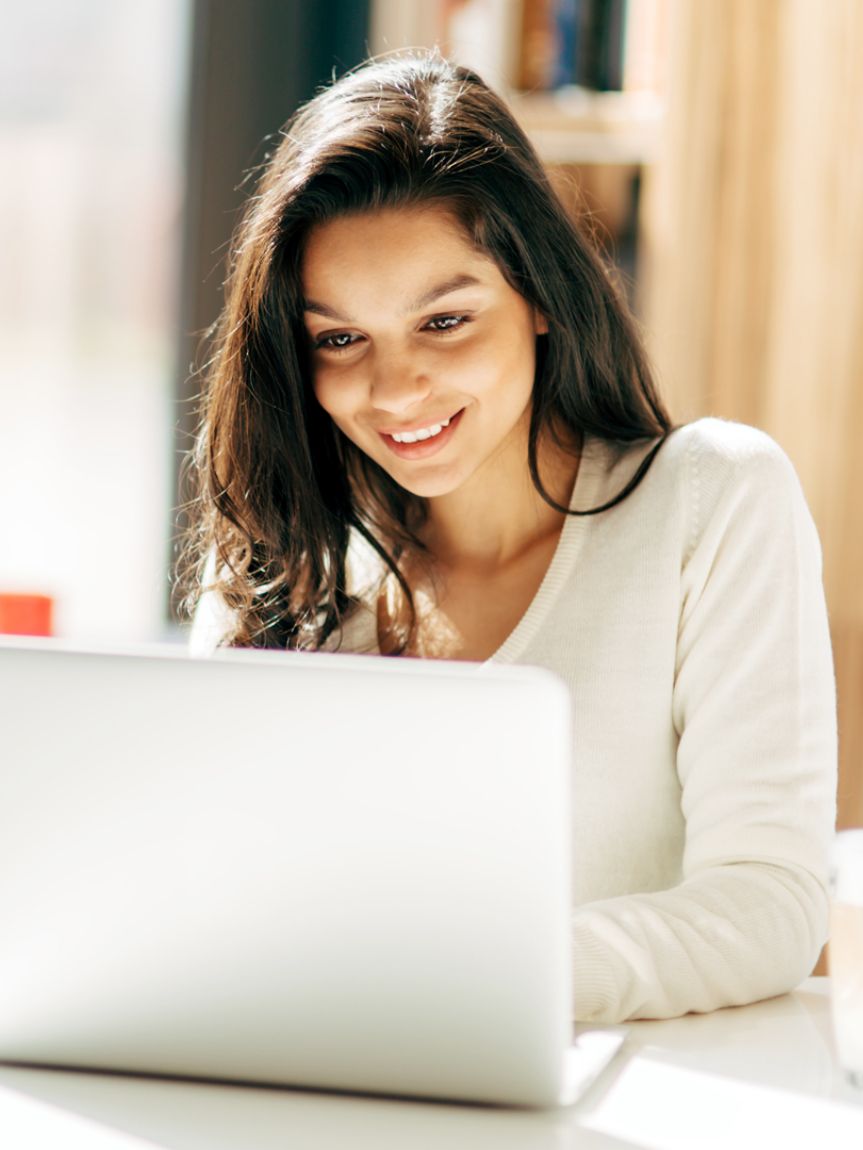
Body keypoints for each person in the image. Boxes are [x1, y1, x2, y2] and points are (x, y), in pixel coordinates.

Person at [181, 50, 837, 1023]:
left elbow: (769, 903)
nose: (394, 387)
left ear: (537, 295)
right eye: (337, 337)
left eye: (442, 320)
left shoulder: (710, 501)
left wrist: (486, 980)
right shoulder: (285, 570)